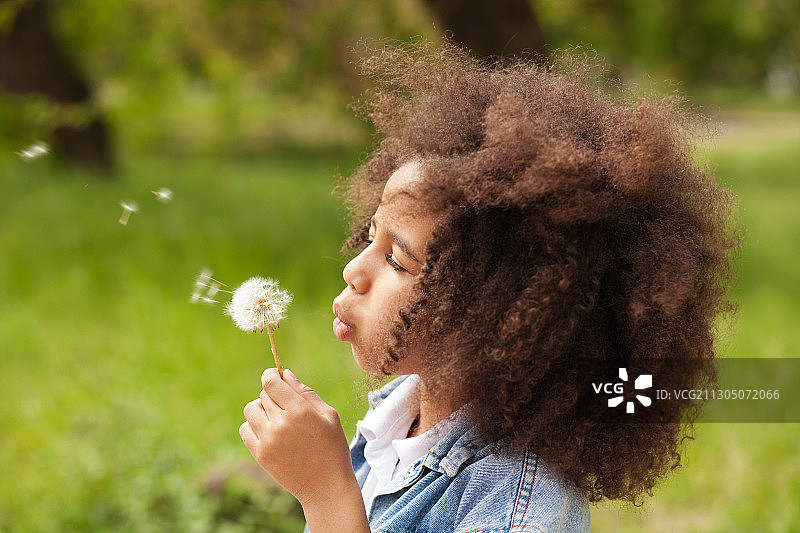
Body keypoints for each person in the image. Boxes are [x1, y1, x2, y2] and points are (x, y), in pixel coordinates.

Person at [238, 42, 739, 532]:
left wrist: (327, 495)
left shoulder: (519, 505)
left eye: (396, 259)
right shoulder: (397, 418)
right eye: (370, 236)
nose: (354, 270)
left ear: (496, 318)